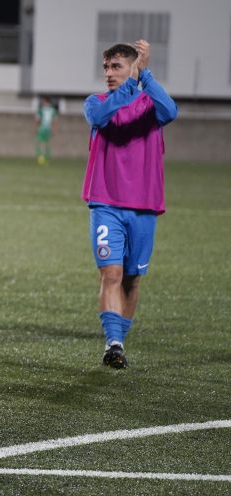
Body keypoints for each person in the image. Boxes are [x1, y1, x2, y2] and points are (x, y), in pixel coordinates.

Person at [83, 40, 176, 370]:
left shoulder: (151, 106)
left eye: (117, 66)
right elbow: (100, 116)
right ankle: (114, 343)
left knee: (132, 279)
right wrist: (131, 82)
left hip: (144, 206)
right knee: (111, 273)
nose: (108, 73)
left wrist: (145, 76)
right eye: (106, 67)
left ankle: (118, 344)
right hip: (105, 203)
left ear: (133, 68)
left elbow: (171, 111)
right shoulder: (97, 103)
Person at [35, 96, 57, 165]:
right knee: (47, 144)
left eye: (43, 101)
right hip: (48, 129)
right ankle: (47, 160)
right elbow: (55, 121)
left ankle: (41, 158)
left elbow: (37, 120)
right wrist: (53, 129)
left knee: (41, 144)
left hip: (42, 128)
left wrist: (36, 128)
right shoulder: (52, 110)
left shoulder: (41, 110)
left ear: (45, 101)